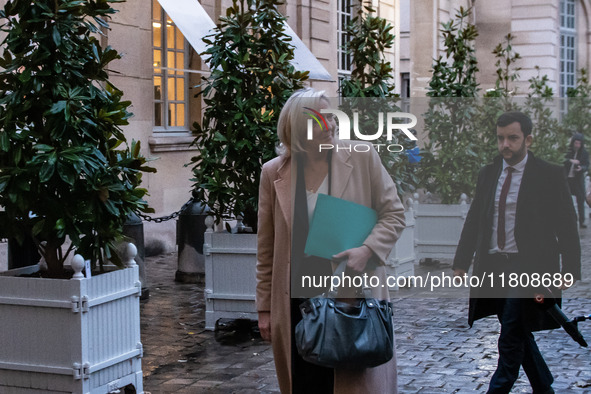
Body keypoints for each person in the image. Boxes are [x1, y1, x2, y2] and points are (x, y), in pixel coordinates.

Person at [256, 88, 406, 393]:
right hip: (297, 301)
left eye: (331, 117)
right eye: (320, 120)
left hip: (351, 296)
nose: (331, 125)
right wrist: (264, 309)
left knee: (351, 381)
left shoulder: (361, 158)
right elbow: (267, 248)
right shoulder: (274, 173)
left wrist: (368, 249)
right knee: (306, 381)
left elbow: (393, 214)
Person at [452, 111, 581, 394]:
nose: (505, 145)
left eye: (512, 138)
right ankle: (543, 386)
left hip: (529, 268)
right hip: (493, 266)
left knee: (510, 332)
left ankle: (496, 390)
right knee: (517, 329)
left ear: (528, 139)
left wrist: (569, 270)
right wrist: (461, 263)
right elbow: (475, 218)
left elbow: (566, 224)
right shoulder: (488, 174)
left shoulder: (548, 174)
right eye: (500, 138)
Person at [564, 133, 589, 228]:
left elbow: (586, 165)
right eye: (576, 143)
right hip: (568, 179)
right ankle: (570, 220)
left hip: (577, 180)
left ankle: (581, 221)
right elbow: (563, 160)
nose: (577, 145)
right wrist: (571, 161)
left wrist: (581, 168)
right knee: (566, 200)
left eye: (579, 143)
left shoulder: (584, 153)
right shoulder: (568, 151)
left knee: (581, 199)